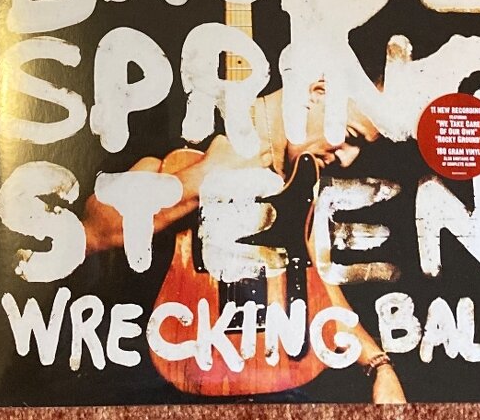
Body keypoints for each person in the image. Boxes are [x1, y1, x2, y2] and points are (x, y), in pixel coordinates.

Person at [82, 82, 407, 403]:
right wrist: (205, 176)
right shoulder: (191, 127)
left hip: (265, 380)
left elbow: (320, 288)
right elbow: (94, 232)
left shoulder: (300, 178)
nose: (348, 159)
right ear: (318, 92)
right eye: (349, 136)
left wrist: (379, 365)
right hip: (159, 375)